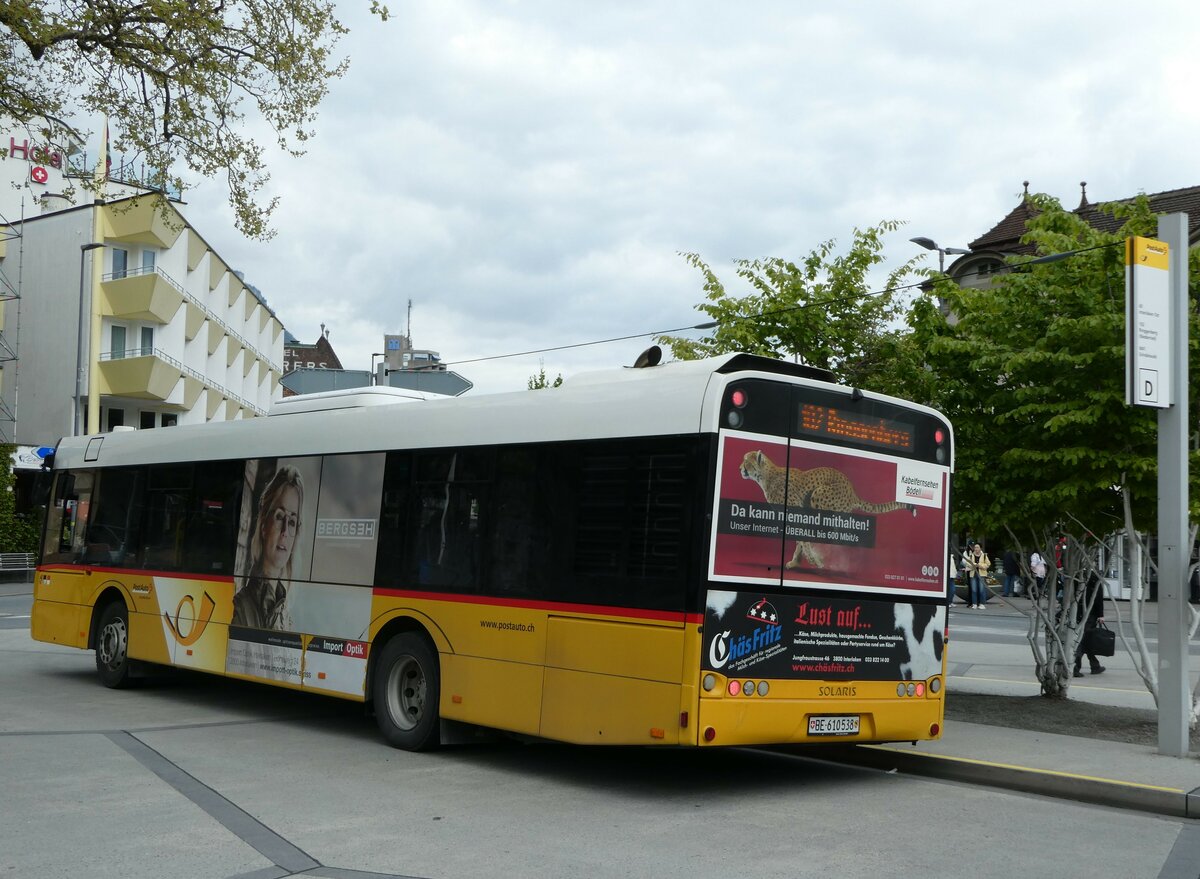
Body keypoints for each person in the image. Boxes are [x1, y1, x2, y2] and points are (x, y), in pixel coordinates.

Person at [232, 465, 304, 630]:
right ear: (264, 524)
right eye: (280, 516)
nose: (285, 531)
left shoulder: (285, 615)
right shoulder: (241, 607)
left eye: (292, 521)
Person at [1074, 576, 1106, 677]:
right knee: (1084, 641)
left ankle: (1095, 665)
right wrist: (1101, 615)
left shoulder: (1077, 577)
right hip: (1090, 613)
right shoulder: (1095, 579)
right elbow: (1098, 598)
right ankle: (1075, 667)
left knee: (1085, 639)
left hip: (1077, 613)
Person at [964, 543, 991, 608]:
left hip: (981, 574)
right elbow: (967, 563)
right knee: (974, 590)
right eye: (975, 547)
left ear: (980, 548)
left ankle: (982, 603)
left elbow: (988, 564)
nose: (976, 549)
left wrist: (980, 565)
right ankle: (974, 604)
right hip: (973, 574)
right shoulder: (971, 555)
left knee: (981, 589)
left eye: (977, 547)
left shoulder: (984, 555)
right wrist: (973, 565)